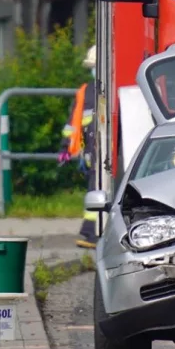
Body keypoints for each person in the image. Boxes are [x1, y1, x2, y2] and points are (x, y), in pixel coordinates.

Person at [62, 45, 98, 249]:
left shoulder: (101, 89)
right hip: (91, 150)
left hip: (97, 150)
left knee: (97, 190)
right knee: (95, 190)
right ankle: (90, 233)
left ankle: (90, 232)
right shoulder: (86, 91)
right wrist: (66, 147)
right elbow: (73, 122)